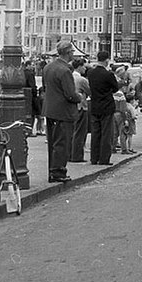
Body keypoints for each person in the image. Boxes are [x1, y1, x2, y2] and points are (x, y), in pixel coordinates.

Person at [41, 40, 81, 183]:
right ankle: (58, 172)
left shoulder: (48, 67)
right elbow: (70, 94)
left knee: (53, 142)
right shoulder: (65, 71)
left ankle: (52, 171)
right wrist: (79, 97)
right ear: (68, 52)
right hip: (63, 111)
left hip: (50, 109)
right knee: (62, 143)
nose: (73, 55)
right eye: (72, 52)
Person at [87, 51, 120, 166]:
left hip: (95, 105)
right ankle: (104, 158)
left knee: (95, 133)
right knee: (106, 133)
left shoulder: (90, 73)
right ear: (106, 60)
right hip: (106, 105)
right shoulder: (108, 75)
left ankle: (94, 158)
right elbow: (115, 88)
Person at [70, 58, 90, 162]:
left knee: (72, 131)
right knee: (80, 132)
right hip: (81, 105)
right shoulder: (82, 80)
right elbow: (89, 91)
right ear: (79, 66)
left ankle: (70, 154)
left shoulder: (69, 76)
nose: (85, 68)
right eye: (83, 66)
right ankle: (77, 155)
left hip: (72, 107)